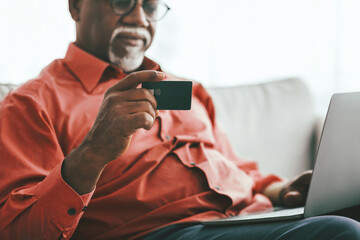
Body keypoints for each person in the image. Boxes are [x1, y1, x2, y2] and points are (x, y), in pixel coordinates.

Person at [0, 0, 359, 239]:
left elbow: (236, 166)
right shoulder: (32, 104)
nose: (140, 18)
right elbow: (19, 231)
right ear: (76, 5)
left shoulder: (190, 90)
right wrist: (93, 152)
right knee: (340, 232)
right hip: (167, 232)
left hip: (250, 217)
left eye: (151, 6)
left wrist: (281, 190)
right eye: (122, 1)